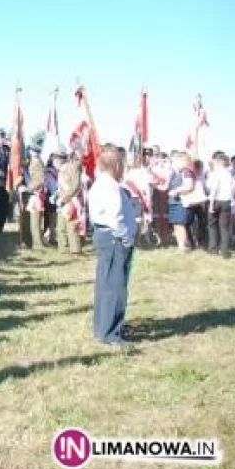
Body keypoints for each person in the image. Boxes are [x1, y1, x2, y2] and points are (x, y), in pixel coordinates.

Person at [89, 145, 137, 348]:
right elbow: (114, 217)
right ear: (116, 165)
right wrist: (126, 238)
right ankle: (110, 333)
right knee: (114, 287)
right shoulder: (110, 186)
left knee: (105, 284)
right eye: (122, 164)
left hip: (106, 236)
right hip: (114, 238)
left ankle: (103, 327)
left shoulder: (101, 184)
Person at [56, 150, 84, 254]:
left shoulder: (73, 167)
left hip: (71, 200)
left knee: (72, 226)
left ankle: (75, 250)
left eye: (57, 159)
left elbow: (75, 186)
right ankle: (63, 248)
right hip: (62, 200)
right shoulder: (62, 170)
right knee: (61, 226)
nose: (55, 161)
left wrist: (65, 198)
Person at [206, 152, 234, 258]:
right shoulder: (229, 174)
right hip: (226, 201)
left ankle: (213, 249)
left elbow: (213, 189)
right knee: (224, 227)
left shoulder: (216, 173)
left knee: (212, 226)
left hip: (216, 200)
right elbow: (233, 189)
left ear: (218, 162)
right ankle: (224, 251)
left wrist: (211, 204)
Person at [27, 145, 47, 247]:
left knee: (35, 219)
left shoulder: (37, 162)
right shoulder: (36, 161)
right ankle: (37, 241)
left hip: (36, 193)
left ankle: (37, 242)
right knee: (35, 218)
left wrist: (28, 188)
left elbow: (39, 180)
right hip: (36, 192)